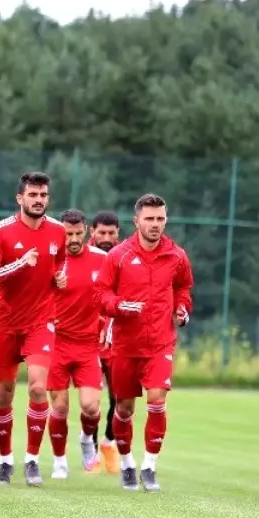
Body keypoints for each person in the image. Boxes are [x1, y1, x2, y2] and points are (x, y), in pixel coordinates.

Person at [94, 193, 193, 492]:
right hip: (125, 344)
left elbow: (183, 287)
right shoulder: (118, 256)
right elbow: (101, 295)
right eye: (149, 219)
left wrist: (183, 308)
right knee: (123, 410)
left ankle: (150, 466)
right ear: (136, 221)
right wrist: (120, 306)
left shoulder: (177, 256)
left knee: (157, 401)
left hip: (160, 343)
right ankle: (127, 463)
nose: (155, 224)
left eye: (160, 218)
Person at [0, 172, 67, 487]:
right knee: (4, 395)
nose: (39, 200)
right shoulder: (1, 231)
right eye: (33, 195)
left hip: (41, 323)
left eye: (43, 195)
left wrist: (60, 278)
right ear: (20, 198)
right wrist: (19, 263)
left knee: (38, 388)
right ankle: (5, 461)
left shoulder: (58, 231)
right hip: (6, 323)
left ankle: (32, 460)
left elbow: (60, 265)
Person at [46, 208, 109, 479]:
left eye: (76, 233)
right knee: (59, 407)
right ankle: (59, 460)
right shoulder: (51, 261)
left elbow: (112, 294)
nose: (72, 238)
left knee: (91, 407)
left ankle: (86, 439)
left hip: (87, 345)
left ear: (86, 231)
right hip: (57, 343)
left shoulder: (102, 259)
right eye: (67, 233)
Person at [87, 210, 122, 474]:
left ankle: (108, 443)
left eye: (111, 233)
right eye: (102, 233)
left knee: (119, 398)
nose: (107, 238)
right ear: (92, 232)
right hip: (84, 339)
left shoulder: (124, 258)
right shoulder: (80, 255)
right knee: (90, 403)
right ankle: (88, 445)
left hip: (114, 340)